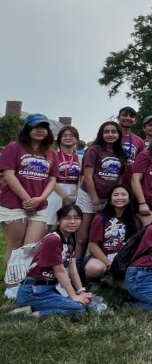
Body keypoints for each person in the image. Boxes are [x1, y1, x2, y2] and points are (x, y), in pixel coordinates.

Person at [1, 114, 59, 298]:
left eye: (44, 126)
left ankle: (24, 285)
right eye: (36, 126)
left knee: (30, 248)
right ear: (28, 128)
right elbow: (9, 176)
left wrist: (40, 198)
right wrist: (28, 199)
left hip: (40, 206)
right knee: (15, 247)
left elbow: (52, 179)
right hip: (13, 205)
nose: (41, 130)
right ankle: (11, 286)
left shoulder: (51, 153)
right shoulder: (13, 148)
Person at [16, 204, 93, 316]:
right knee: (78, 309)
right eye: (67, 218)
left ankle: (35, 308)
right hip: (34, 292)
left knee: (85, 304)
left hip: (51, 288)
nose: (72, 221)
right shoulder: (53, 240)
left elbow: (72, 267)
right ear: (58, 221)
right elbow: (60, 272)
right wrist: (74, 296)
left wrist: (81, 291)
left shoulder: (70, 239)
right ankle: (34, 314)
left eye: (77, 218)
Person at [75, 121, 127, 277]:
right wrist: (95, 201)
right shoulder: (94, 150)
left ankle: (98, 269)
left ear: (119, 134)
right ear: (101, 134)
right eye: (106, 131)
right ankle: (75, 269)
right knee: (82, 237)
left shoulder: (120, 153)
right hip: (89, 196)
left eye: (113, 132)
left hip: (109, 198)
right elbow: (88, 177)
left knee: (103, 235)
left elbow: (119, 178)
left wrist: (115, 198)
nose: (110, 135)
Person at [84, 184, 139, 282]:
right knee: (93, 268)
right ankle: (90, 285)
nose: (119, 197)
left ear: (130, 199)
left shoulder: (135, 220)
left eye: (123, 194)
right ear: (110, 199)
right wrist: (109, 264)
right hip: (103, 258)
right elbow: (93, 245)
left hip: (125, 259)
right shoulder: (101, 218)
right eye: (116, 195)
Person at [46, 126, 81, 228]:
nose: (68, 137)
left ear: (77, 139)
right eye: (65, 135)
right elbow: (49, 178)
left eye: (72, 135)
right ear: (60, 139)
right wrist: (65, 196)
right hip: (55, 191)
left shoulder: (80, 158)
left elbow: (82, 179)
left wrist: (76, 196)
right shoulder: (52, 155)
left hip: (74, 194)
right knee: (47, 224)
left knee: (69, 227)